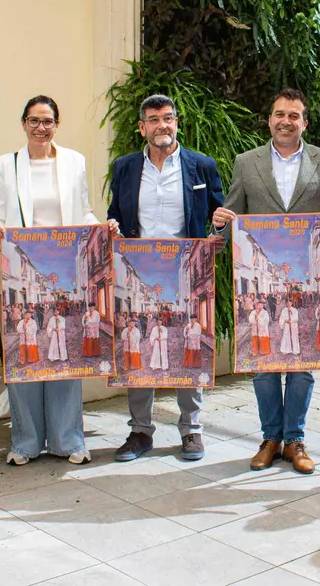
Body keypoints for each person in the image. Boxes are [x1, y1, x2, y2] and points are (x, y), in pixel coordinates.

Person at [212, 87, 320, 475]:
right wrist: (217, 230)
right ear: (270, 119)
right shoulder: (247, 163)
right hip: (262, 286)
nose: (286, 121)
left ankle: (295, 439)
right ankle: (269, 438)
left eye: (294, 115)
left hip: (307, 283)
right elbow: (232, 211)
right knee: (263, 364)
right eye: (279, 114)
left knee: (301, 363)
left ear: (304, 122)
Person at [0, 95, 119, 467]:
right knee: (24, 357)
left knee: (64, 356)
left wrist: (101, 229)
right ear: (23, 123)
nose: (40, 127)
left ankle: (68, 439)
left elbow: (85, 212)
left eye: (47, 121)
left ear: (57, 125)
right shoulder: (6, 165)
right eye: (33, 120)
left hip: (65, 278)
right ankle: (26, 441)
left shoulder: (73, 161)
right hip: (18, 278)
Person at [107, 94, 224, 462]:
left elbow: (221, 213)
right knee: (138, 349)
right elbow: (116, 214)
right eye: (154, 119)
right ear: (142, 127)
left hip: (186, 274)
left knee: (190, 349)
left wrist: (219, 238)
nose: (163, 125)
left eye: (169, 118)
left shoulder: (201, 166)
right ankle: (140, 431)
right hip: (137, 277)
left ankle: (191, 430)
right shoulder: (124, 167)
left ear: (177, 123)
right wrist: (112, 227)